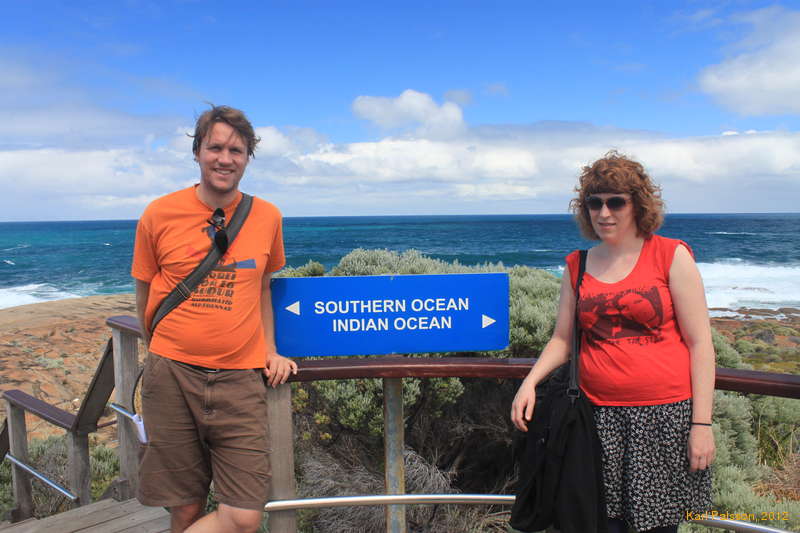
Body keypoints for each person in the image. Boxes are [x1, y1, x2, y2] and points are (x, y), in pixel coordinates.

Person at [511, 151, 715, 533]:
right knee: (597, 521)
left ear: (637, 205)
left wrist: (701, 424)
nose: (604, 213)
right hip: (594, 419)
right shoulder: (579, 264)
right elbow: (562, 339)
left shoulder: (671, 255)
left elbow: (701, 344)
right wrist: (530, 381)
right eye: (594, 203)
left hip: (662, 419)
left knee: (656, 527)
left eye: (615, 202)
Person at [131, 105, 298, 533]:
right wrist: (159, 350)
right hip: (171, 374)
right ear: (198, 152)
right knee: (183, 508)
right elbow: (146, 288)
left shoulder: (267, 216)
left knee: (243, 516)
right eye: (216, 147)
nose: (225, 158)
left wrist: (270, 349)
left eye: (236, 150)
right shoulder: (158, 213)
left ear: (248, 158)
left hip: (240, 378)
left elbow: (262, 286)